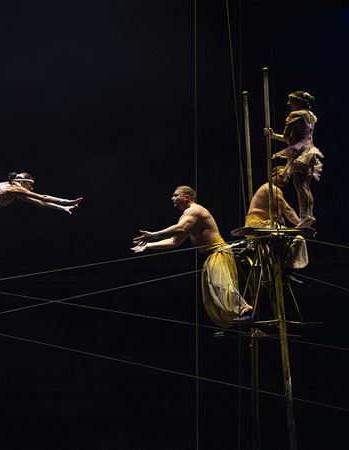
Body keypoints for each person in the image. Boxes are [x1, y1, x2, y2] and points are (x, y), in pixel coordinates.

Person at [131, 186, 253, 328]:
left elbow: (181, 228)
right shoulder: (186, 216)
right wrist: (149, 245)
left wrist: (154, 234)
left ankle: (247, 312)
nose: (173, 198)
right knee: (213, 294)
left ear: (187, 197)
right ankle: (230, 322)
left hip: (219, 252)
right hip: (211, 255)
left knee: (222, 285)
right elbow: (174, 241)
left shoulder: (194, 210)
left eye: (176, 195)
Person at [265, 90, 323, 228]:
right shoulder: (310, 115)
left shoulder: (295, 114)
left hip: (300, 152)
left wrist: (276, 136)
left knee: (299, 184)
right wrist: (273, 136)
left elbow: (287, 137)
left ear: (299, 102)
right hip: (309, 150)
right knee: (305, 185)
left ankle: (304, 215)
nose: (288, 103)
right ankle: (308, 214)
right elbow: (299, 137)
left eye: (291, 101)